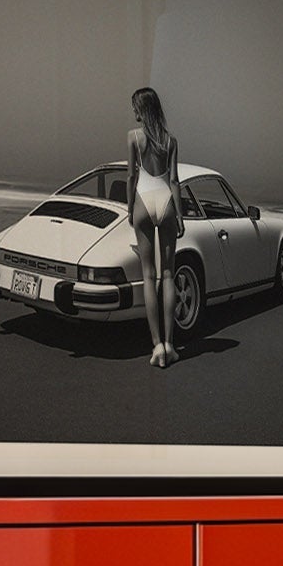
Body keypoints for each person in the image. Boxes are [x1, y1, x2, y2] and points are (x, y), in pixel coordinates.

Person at [127, 86, 183, 368]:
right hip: (166, 203)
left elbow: (130, 177)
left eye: (135, 107)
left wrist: (129, 209)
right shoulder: (171, 141)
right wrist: (181, 216)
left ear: (142, 109)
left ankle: (156, 346)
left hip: (142, 201)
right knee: (169, 274)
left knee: (148, 276)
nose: (133, 112)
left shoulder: (134, 138)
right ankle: (171, 345)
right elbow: (174, 181)